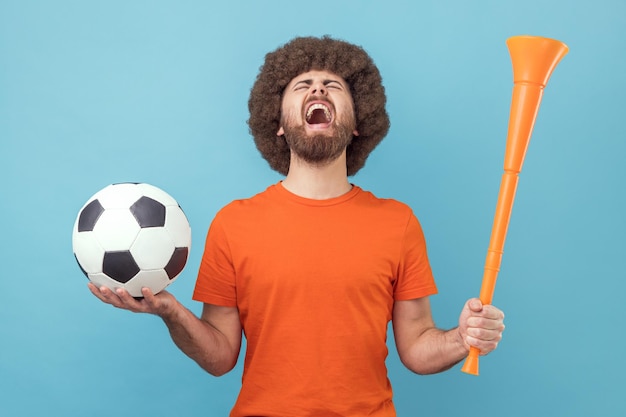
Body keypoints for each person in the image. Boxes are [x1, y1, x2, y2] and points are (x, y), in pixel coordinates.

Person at [89, 36, 505, 416]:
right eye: (302, 85)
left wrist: (462, 337)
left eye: (333, 85)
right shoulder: (234, 223)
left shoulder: (398, 222)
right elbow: (220, 357)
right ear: (279, 122)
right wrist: (171, 312)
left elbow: (416, 348)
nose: (318, 89)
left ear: (358, 122)